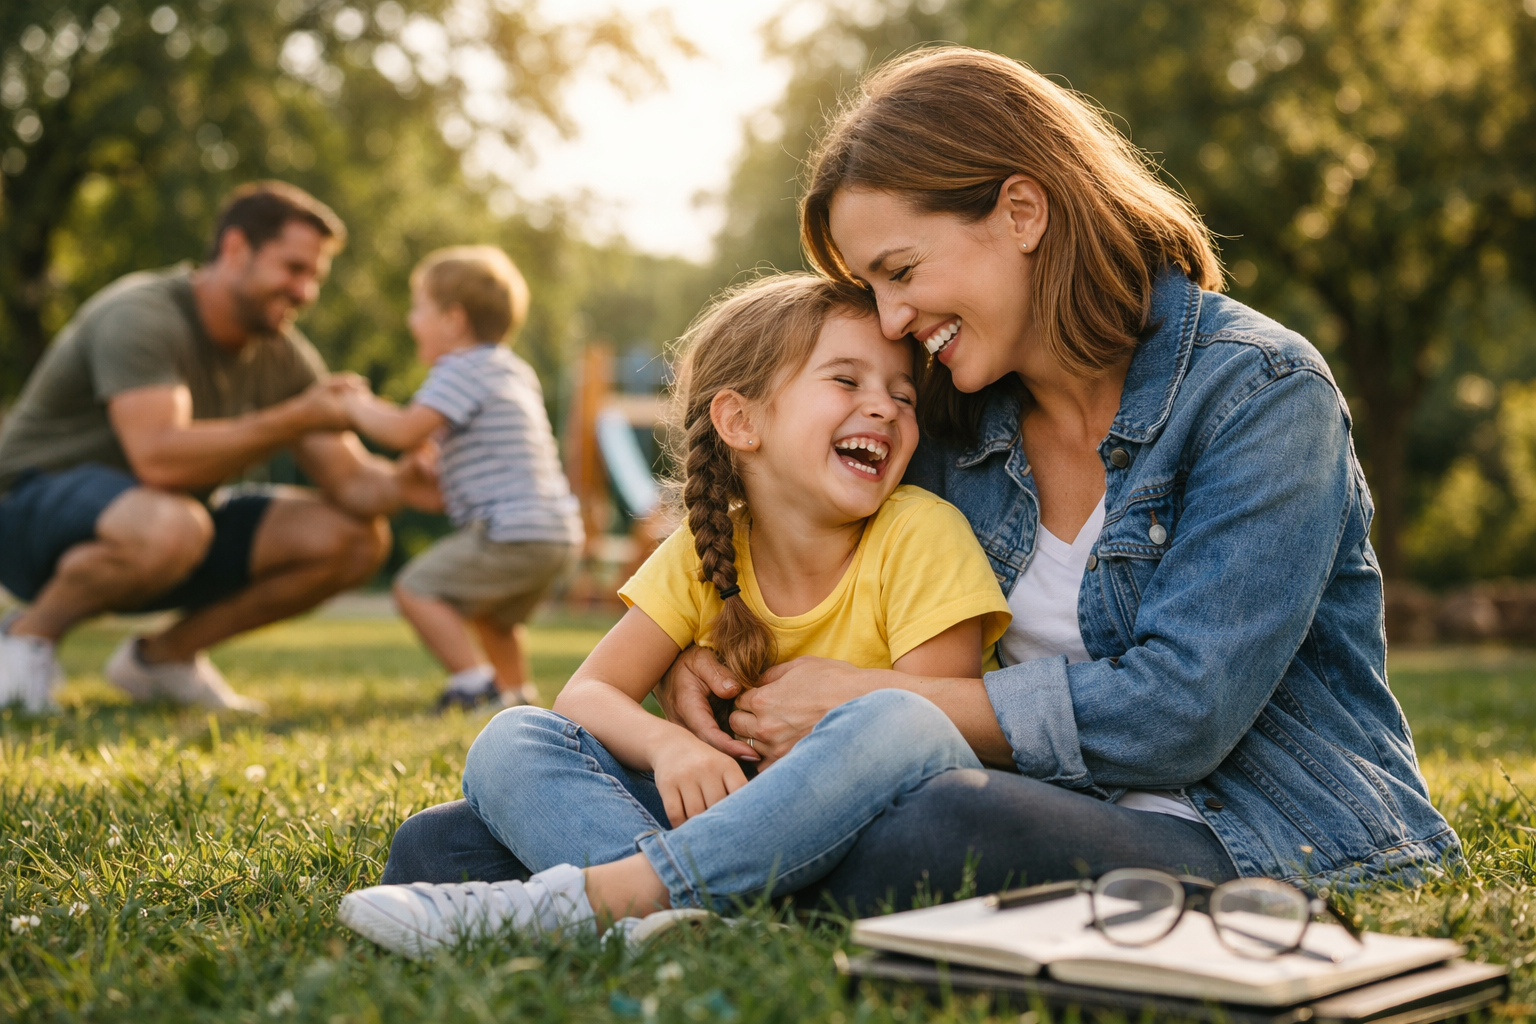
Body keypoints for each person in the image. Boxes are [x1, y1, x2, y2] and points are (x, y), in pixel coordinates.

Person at [379, 47, 1460, 911]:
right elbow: (813, 548)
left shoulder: (1260, 393)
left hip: (1227, 819)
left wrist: (877, 698)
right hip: (988, 787)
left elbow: (1179, 715)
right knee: (447, 836)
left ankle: (646, 885)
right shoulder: (946, 412)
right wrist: (719, 652)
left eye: (900, 273)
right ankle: (678, 891)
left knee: (942, 829)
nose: (894, 325)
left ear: (1022, 213)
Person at [337, 273, 1012, 955]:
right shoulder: (703, 547)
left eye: (902, 393)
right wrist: (669, 746)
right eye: (847, 381)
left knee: (893, 717)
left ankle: (612, 901)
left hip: (873, 823)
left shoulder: (922, 532)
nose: (887, 407)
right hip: (729, 818)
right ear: (740, 421)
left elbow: (938, 729)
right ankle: (670, 921)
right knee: (509, 741)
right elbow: (586, 696)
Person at [0, 181, 436, 714]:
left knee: (355, 538)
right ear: (235, 249)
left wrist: (404, 482)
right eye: (293, 269)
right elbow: (157, 457)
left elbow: (352, 483)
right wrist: (293, 417)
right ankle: (25, 639)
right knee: (174, 525)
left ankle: (160, 662)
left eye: (314, 277)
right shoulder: (143, 314)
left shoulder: (282, 351)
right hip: (26, 512)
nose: (305, 292)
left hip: (168, 524)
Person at [340, 246, 583, 711]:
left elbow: (403, 429)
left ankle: (473, 685)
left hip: (511, 531)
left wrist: (356, 405)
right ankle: (516, 698)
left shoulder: (460, 367)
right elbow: (482, 457)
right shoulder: (511, 369)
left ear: (453, 320)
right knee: (495, 617)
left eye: (419, 309)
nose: (412, 321)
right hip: (555, 532)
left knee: (415, 588)